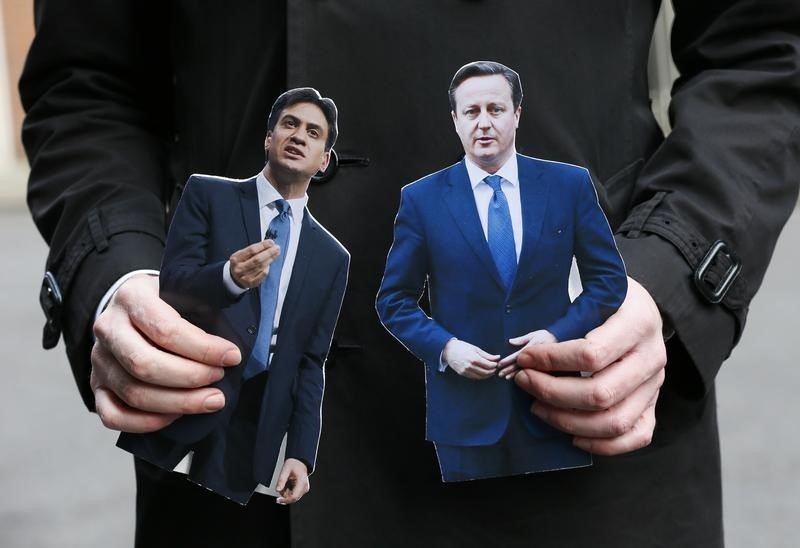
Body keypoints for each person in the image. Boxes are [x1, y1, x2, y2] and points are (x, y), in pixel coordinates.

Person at [19, 2, 800, 546]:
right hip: (237, 461)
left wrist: (666, 280)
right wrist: (114, 274)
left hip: (577, 449)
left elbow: (764, 51)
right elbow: (87, 84)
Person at [376, 61, 628, 481]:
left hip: (553, 404)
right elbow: (393, 301)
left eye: (496, 109)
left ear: (517, 114)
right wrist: (447, 349)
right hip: (463, 418)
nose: (484, 123)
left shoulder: (569, 185)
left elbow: (608, 282)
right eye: (472, 112)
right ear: (455, 121)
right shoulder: (421, 199)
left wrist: (555, 336)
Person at [116, 87, 349, 507]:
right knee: (171, 522)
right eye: (289, 124)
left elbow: (311, 361)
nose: (298, 136)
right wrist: (229, 278)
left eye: (313, 133)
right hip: (184, 393)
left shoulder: (333, 257)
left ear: (324, 160)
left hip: (256, 416)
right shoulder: (208, 194)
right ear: (268, 137)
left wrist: (300, 453)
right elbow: (171, 286)